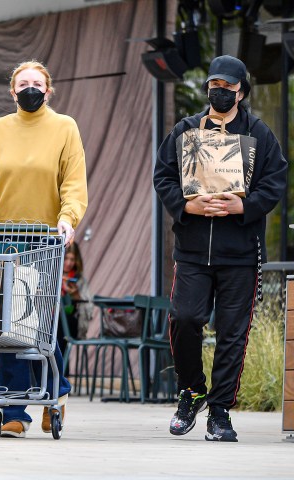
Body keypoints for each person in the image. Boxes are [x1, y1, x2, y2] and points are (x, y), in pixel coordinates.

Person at [153, 55, 287, 442]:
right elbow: (163, 175)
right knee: (185, 318)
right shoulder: (186, 129)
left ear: (241, 91)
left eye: (228, 87)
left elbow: (276, 181)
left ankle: (220, 411)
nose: (220, 92)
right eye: (215, 85)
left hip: (240, 254)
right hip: (193, 250)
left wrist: (244, 205)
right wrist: (184, 205)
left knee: (232, 333)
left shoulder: (259, 133)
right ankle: (191, 390)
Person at [0, 60, 88, 437]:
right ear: (12, 91)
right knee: (8, 326)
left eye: (37, 83)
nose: (30, 88)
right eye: (23, 83)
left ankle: (54, 394)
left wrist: (68, 219)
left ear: (48, 91)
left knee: (38, 326)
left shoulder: (64, 127)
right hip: (1, 238)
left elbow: (73, 182)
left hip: (44, 240)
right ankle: (15, 407)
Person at [58, 242, 93, 355]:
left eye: (72, 259)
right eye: (66, 258)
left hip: (73, 324)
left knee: (63, 324)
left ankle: (61, 369)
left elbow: (88, 310)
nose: (68, 263)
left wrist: (75, 295)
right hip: (51, 323)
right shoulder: (51, 275)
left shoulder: (79, 280)